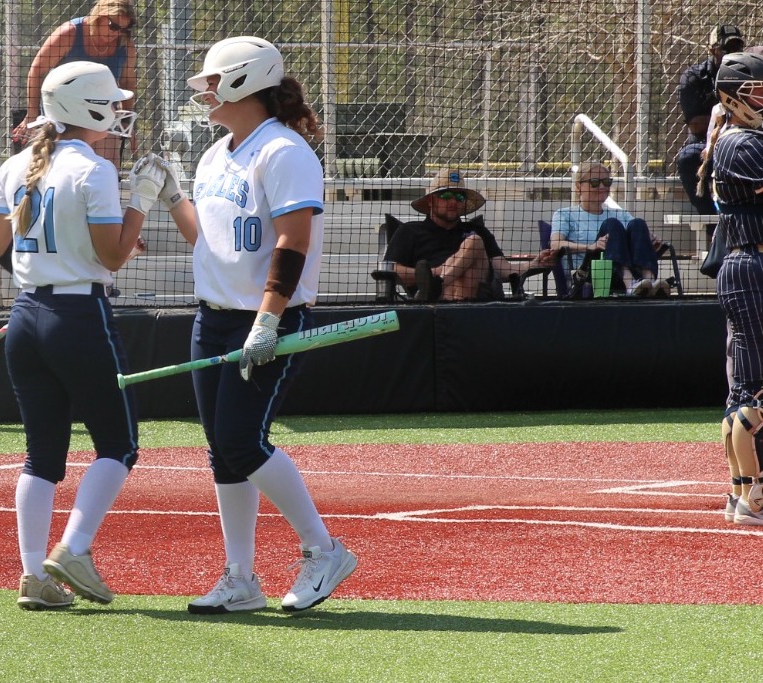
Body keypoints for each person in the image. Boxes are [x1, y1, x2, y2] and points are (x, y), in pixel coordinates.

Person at [142, 36, 357, 614]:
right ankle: (240, 577)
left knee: (242, 442)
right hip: (212, 317)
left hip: (266, 319)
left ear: (244, 81)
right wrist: (173, 198)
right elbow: (208, 240)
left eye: (214, 82)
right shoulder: (216, 154)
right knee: (222, 450)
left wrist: (268, 320)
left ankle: (324, 550)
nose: (206, 92)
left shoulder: (284, 151)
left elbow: (293, 240)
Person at [0, 61, 168, 607]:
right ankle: (74, 548)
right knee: (118, 445)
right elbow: (112, 256)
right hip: (79, 316)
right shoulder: (94, 169)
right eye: (109, 102)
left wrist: (40, 278)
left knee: (41, 455)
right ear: (86, 107)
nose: (117, 110)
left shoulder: (15, 164)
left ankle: (32, 576)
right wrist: (142, 202)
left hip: (27, 315)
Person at [703, 51, 763, 524]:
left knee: (746, 384)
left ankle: (743, 490)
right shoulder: (739, 142)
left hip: (748, 265)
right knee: (753, 386)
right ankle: (754, 494)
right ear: (732, 99)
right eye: (757, 93)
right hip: (750, 265)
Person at [386, 169, 557, 302]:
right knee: (464, 267)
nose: (453, 201)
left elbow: (504, 270)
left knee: (474, 242)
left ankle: (435, 285)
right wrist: (435, 271)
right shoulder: (409, 231)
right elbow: (391, 270)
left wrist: (534, 264)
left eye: (459, 196)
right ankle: (438, 289)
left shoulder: (477, 230)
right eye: (446, 195)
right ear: (431, 201)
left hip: (473, 299)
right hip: (437, 302)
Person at [10, 0, 138, 168]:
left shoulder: (125, 45)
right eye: (113, 26)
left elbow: (127, 81)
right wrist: (32, 114)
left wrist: (126, 120)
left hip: (100, 115)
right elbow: (37, 70)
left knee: (105, 166)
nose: (117, 33)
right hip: (64, 115)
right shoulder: (69, 33)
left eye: (124, 29)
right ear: (98, 16)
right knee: (55, 166)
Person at [549, 161, 670, 297]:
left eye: (606, 182)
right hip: (592, 275)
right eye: (594, 182)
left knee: (638, 223)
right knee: (612, 224)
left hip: (633, 278)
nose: (602, 186)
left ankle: (650, 282)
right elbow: (555, 244)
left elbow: (640, 233)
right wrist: (590, 247)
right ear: (578, 187)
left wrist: (650, 239)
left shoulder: (620, 214)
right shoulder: (564, 214)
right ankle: (629, 282)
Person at [677, 25, 746, 217]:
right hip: (707, 145)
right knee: (688, 158)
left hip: (744, 142)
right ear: (713, 50)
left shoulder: (750, 74)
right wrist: (732, 114)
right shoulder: (694, 77)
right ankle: (709, 219)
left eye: (737, 48)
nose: (733, 53)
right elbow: (695, 125)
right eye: (727, 48)